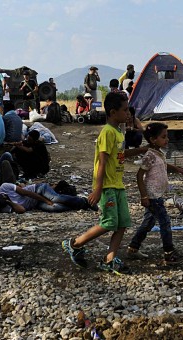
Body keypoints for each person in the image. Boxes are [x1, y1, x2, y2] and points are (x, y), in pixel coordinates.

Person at [61, 92, 148, 274]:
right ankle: (74, 243)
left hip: (118, 185)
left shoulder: (118, 132)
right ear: (112, 112)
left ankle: (109, 259)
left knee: (122, 223)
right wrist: (98, 189)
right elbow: (102, 161)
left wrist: (144, 149)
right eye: (125, 110)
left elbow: (121, 155)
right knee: (109, 222)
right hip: (107, 186)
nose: (128, 114)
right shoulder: (107, 133)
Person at [126, 123, 183, 263]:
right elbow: (139, 175)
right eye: (163, 137)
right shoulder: (150, 155)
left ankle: (133, 248)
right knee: (165, 222)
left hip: (157, 194)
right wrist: (144, 196)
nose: (167, 140)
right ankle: (169, 251)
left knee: (148, 223)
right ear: (153, 139)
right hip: (153, 196)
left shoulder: (158, 153)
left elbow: (164, 165)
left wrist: (177, 169)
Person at [0, 182, 91, 213]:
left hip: (37, 190)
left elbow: (27, 193)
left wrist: (45, 200)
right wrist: (9, 202)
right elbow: (22, 210)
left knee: (56, 198)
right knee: (56, 208)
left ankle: (84, 201)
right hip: (36, 203)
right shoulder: (4, 206)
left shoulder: (4, 187)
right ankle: (78, 205)